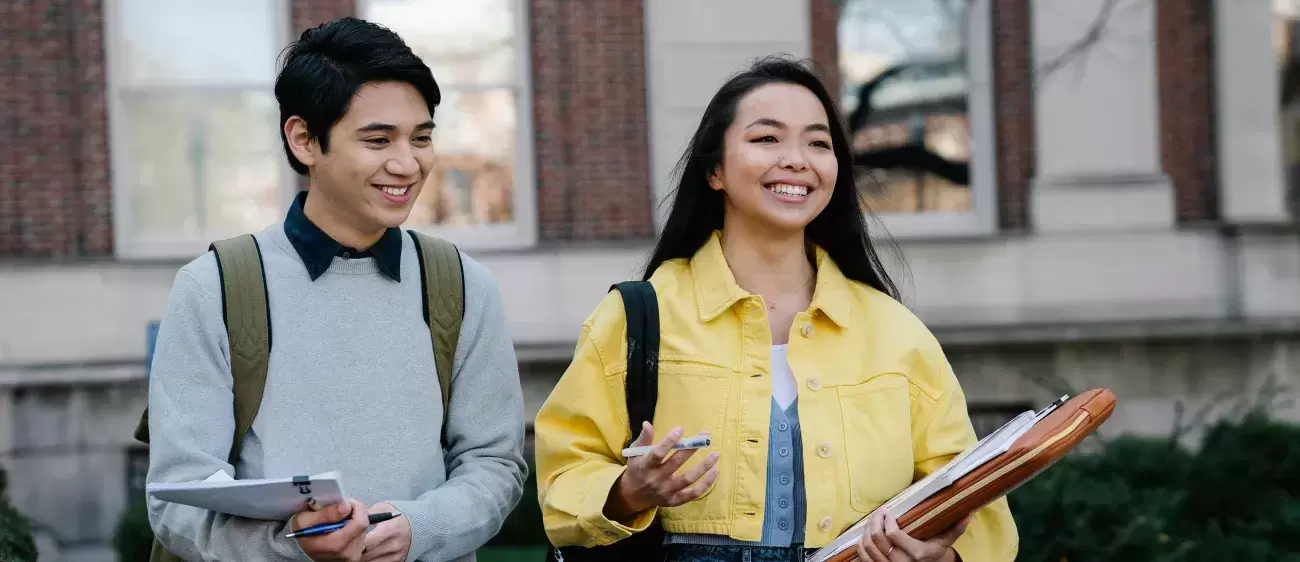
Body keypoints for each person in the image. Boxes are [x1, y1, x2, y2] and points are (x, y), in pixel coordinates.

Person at [533, 57, 1018, 562]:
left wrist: (942, 557)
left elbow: (978, 506)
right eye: (767, 139)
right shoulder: (636, 318)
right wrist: (631, 491)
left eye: (818, 143)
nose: (796, 160)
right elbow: (563, 478)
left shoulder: (897, 333)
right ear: (714, 170)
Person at [144, 17, 527, 562]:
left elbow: (496, 465)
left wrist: (418, 528)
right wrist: (297, 546)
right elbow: (177, 501)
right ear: (303, 140)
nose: (407, 164)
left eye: (421, 138)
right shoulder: (215, 288)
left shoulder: (462, 285)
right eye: (378, 140)